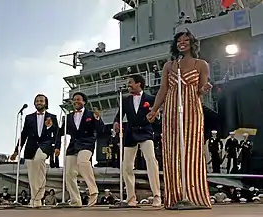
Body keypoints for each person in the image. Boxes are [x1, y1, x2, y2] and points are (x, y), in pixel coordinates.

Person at [147, 30, 212, 209]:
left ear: (192, 43)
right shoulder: (169, 65)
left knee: (191, 150)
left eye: (186, 40)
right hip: (171, 109)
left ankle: (193, 195)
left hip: (192, 109)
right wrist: (154, 110)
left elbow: (200, 90)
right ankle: (176, 195)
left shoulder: (201, 64)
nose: (182, 43)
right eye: (179, 41)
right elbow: (163, 90)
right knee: (172, 150)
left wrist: (205, 89)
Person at [113, 74, 161, 207]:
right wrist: (116, 123)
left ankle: (157, 196)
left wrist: (156, 117)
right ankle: (131, 198)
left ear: (138, 84)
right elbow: (119, 116)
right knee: (126, 166)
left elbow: (157, 117)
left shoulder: (150, 99)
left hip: (145, 131)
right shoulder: (125, 100)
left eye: (130, 83)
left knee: (151, 161)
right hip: (130, 133)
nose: (128, 85)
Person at [10, 94, 59, 208]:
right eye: (37, 101)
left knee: (38, 160)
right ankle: (35, 198)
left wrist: (57, 148)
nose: (39, 102)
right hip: (30, 147)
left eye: (41, 101)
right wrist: (17, 151)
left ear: (45, 103)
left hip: (45, 146)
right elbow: (24, 134)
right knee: (32, 175)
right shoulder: (28, 117)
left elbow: (56, 134)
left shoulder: (52, 117)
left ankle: (39, 196)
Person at [57, 92, 104, 207]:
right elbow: (60, 132)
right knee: (68, 173)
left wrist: (98, 118)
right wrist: (57, 147)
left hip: (87, 143)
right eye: (74, 100)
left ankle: (93, 191)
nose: (76, 101)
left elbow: (100, 130)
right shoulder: (68, 117)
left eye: (78, 99)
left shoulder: (91, 114)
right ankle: (75, 200)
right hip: (73, 145)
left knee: (83, 162)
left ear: (84, 102)